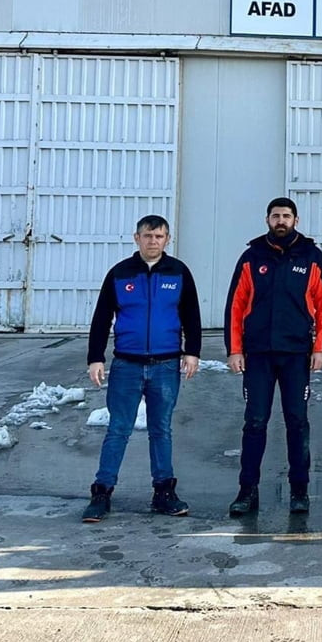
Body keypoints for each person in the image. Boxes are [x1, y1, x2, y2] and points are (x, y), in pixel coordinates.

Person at [82, 215, 201, 523]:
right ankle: (102, 492)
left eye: (159, 236)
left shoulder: (178, 272)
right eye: (148, 236)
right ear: (136, 238)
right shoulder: (120, 274)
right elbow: (101, 318)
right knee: (118, 429)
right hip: (127, 365)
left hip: (165, 365)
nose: (153, 241)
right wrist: (96, 357)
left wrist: (192, 352)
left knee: (161, 429)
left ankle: (164, 492)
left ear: (168, 239)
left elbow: (191, 314)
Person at [224, 197, 322, 516]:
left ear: (296, 220)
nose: (281, 221)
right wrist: (234, 350)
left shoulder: (312, 257)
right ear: (267, 220)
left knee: (297, 422)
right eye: (276, 216)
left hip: (296, 355)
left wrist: (321, 348)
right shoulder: (251, 257)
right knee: (255, 422)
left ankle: (300, 490)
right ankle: (247, 491)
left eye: (286, 216)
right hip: (258, 354)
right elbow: (235, 305)